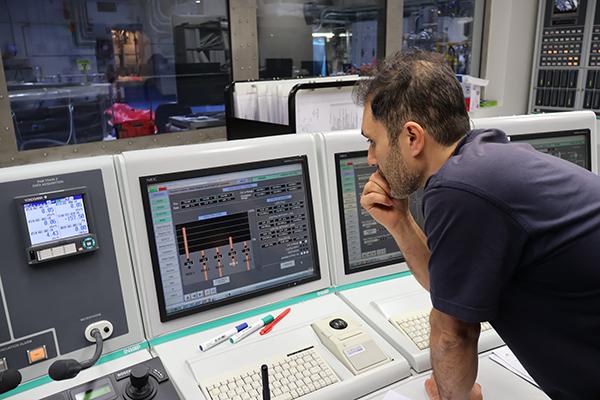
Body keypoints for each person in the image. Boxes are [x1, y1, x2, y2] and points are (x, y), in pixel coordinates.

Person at [356, 49, 600, 400]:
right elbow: (449, 290)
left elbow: (452, 332)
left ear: (412, 137)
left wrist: (456, 396)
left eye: (372, 141)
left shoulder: (458, 189)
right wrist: (401, 222)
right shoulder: (482, 161)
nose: (371, 158)